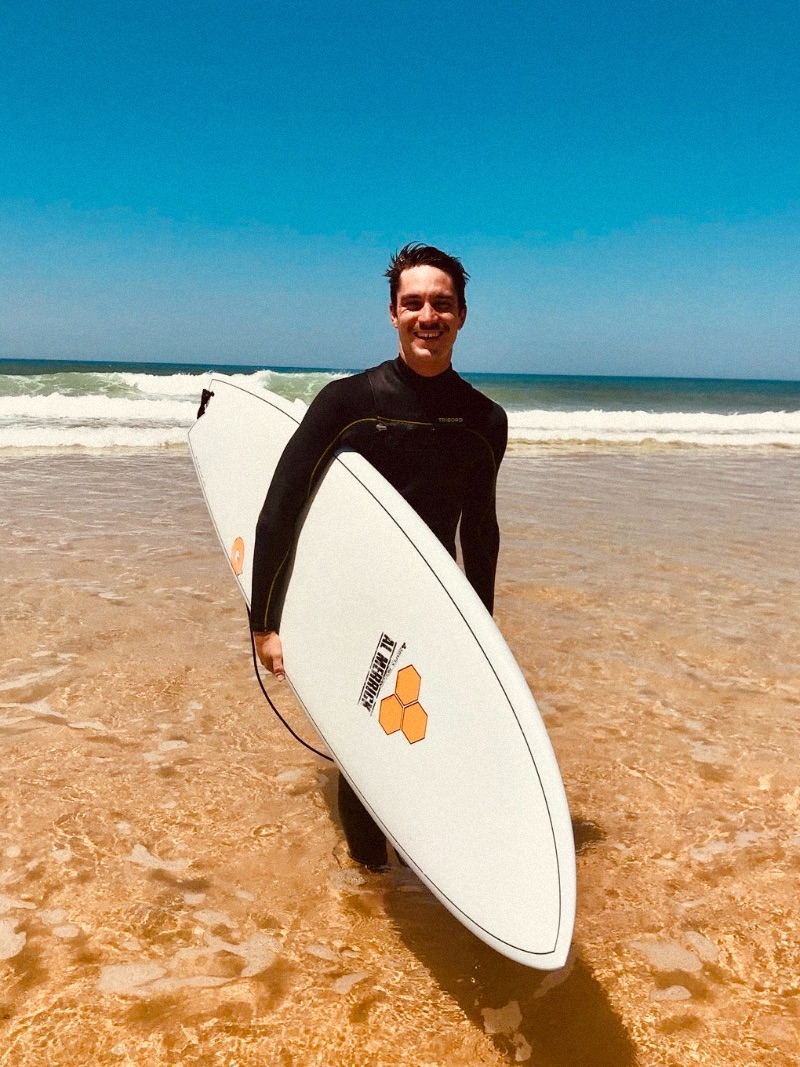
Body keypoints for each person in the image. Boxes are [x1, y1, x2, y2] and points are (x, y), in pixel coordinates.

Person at [251, 242, 507, 870]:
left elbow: (481, 530)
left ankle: (425, 860)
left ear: (463, 315)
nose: (428, 316)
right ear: (392, 314)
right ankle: (370, 880)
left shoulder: (484, 420)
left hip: (431, 606)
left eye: (441, 304)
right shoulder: (347, 403)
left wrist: (483, 635)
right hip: (349, 605)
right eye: (413, 303)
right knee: (364, 742)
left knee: (418, 735)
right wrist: (265, 621)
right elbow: (281, 506)